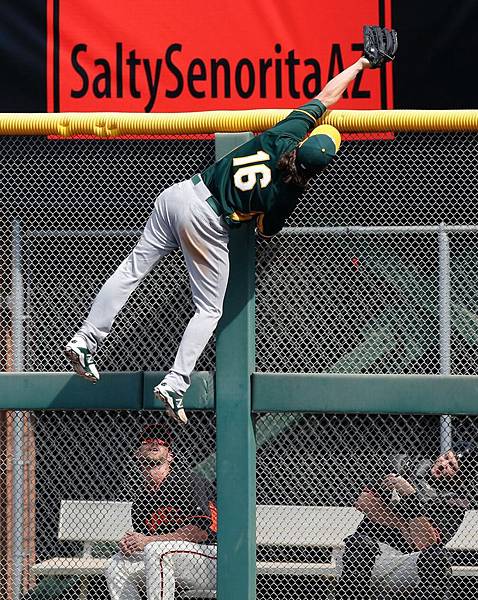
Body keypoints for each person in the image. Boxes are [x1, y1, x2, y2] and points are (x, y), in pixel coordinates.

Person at [64, 47, 381, 424]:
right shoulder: (287, 193)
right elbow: (265, 231)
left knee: (132, 270)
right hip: (207, 224)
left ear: (302, 143)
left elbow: (326, 97)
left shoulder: (282, 136)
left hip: (180, 194)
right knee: (210, 309)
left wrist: (362, 64)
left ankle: (85, 339)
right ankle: (176, 381)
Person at [335, 445, 473, 600]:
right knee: (359, 543)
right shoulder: (406, 464)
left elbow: (425, 545)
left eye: (452, 466)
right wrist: (402, 525)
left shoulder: (455, 500)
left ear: (460, 476)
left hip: (407, 563)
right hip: (371, 555)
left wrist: (410, 496)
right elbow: (363, 501)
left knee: (437, 558)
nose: (444, 464)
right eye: (446, 458)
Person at [105, 427, 217, 600]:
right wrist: (132, 545)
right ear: (137, 454)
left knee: (155, 548)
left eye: (162, 441)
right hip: (168, 561)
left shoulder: (188, 482)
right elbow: (146, 544)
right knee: (116, 563)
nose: (155, 442)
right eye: (147, 441)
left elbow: (200, 533)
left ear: (170, 456)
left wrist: (147, 541)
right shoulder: (142, 501)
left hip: (210, 559)